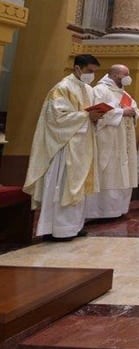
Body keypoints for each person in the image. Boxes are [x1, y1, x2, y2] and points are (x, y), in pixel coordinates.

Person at [24, 54, 103, 241]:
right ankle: (57, 229)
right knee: (62, 187)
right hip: (66, 146)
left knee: (79, 187)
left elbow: (88, 114)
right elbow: (57, 118)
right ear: (77, 68)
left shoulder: (88, 90)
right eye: (89, 71)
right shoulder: (62, 88)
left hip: (82, 146)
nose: (91, 75)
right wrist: (86, 117)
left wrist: (97, 117)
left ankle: (74, 226)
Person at [84, 64, 139, 220]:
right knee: (108, 173)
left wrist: (133, 112)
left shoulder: (125, 94)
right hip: (108, 139)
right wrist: (122, 111)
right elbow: (98, 113)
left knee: (121, 173)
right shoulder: (100, 90)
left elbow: (134, 108)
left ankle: (117, 209)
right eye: (125, 74)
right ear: (115, 75)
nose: (128, 77)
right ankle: (100, 211)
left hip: (123, 139)